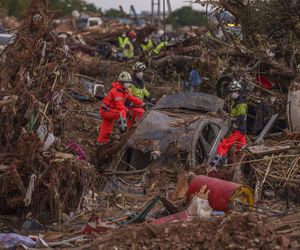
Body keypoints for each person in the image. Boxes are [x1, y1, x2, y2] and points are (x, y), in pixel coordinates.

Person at [97, 71, 145, 144]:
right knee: (122, 112)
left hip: (112, 111)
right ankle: (123, 132)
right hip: (107, 111)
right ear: (121, 82)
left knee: (140, 111)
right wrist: (127, 110)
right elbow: (120, 106)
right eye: (126, 82)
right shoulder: (116, 91)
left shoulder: (125, 90)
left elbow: (133, 98)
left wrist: (142, 103)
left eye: (129, 82)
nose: (128, 84)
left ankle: (101, 142)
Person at [210, 80, 247, 167]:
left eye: (232, 92)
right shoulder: (235, 103)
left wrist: (234, 127)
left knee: (224, 144)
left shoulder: (241, 103)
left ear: (237, 91)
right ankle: (239, 164)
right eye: (230, 92)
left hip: (238, 129)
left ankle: (214, 164)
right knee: (241, 147)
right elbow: (233, 115)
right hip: (241, 129)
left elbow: (241, 116)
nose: (231, 94)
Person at [126, 62, 156, 127]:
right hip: (131, 107)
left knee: (131, 124)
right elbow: (127, 94)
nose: (141, 73)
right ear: (135, 71)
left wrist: (152, 99)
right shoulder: (130, 82)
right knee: (142, 113)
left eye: (142, 71)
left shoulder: (140, 82)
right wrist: (132, 103)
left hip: (139, 106)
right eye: (139, 71)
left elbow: (145, 92)